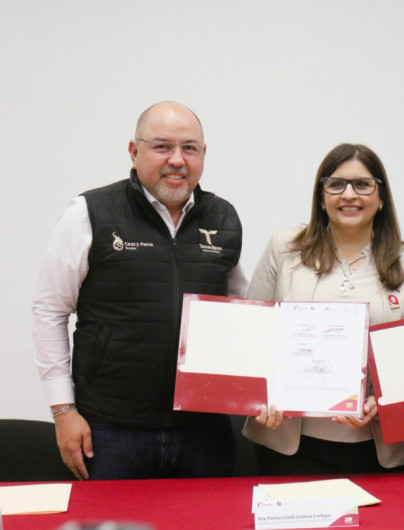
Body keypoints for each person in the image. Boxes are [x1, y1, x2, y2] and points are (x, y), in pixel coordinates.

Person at [32, 101, 248, 480]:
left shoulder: (223, 218)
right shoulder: (90, 213)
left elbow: (241, 312)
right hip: (111, 432)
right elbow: (49, 312)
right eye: (162, 146)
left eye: (190, 148)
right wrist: (63, 411)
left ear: (203, 154)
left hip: (204, 433)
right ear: (134, 151)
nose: (177, 160)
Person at [242, 143, 404, 475]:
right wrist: (257, 399)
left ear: (381, 197)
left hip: (379, 449)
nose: (349, 194)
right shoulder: (285, 248)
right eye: (336, 184)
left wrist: (382, 403)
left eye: (363, 184)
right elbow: (252, 334)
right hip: (289, 444)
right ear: (321, 196)